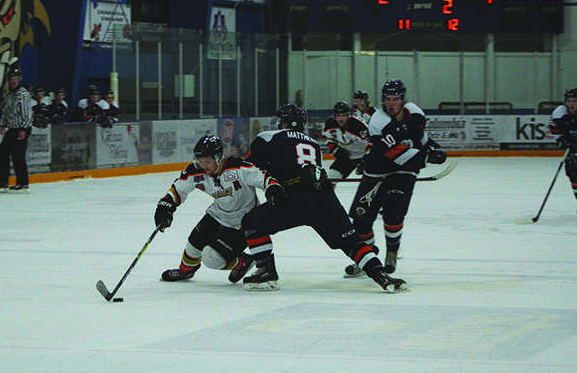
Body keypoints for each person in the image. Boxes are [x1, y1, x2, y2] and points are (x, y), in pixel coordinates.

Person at [240, 103, 408, 293]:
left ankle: (265, 270)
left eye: (281, 121)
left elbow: (247, 168)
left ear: (286, 122)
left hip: (295, 199)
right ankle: (381, 275)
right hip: (326, 198)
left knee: (251, 222)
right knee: (351, 242)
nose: (278, 124)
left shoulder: (267, 137)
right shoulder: (312, 143)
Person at [345, 79, 446, 278]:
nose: (391, 103)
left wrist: (433, 146)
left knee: (393, 212)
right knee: (360, 219)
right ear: (383, 100)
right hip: (377, 171)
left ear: (403, 99)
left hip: (403, 174)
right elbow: (394, 154)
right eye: (388, 99)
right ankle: (368, 258)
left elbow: (418, 137)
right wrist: (426, 157)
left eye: (396, 99)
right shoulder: (378, 121)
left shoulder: (415, 113)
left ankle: (391, 253)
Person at [154, 135, 276, 283]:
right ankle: (186, 271)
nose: (204, 165)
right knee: (193, 245)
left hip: (243, 221)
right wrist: (165, 206)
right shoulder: (196, 171)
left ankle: (243, 262)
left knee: (211, 258)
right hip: (218, 214)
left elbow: (263, 178)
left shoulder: (237, 167)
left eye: (208, 161)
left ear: (218, 157)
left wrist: (272, 189)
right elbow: (179, 189)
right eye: (201, 161)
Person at [0, 68, 33, 192]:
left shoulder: (23, 94)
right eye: (10, 79)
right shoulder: (9, 94)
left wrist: (23, 129)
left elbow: (27, 113)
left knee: (18, 155)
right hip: (12, 127)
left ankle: (22, 182)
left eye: (15, 79)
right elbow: (6, 110)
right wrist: (3, 124)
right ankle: (3, 180)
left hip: (21, 127)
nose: (12, 81)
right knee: (2, 152)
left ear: (19, 80)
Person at [322, 101, 369, 180]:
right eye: (338, 115)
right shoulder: (330, 125)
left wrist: (368, 158)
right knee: (332, 177)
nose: (340, 118)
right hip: (347, 155)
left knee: (372, 179)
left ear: (348, 115)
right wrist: (335, 149)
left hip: (364, 155)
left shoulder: (358, 126)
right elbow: (327, 138)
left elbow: (372, 142)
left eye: (343, 115)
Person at [548, 87, 577, 203]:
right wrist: (562, 140)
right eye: (569, 101)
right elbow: (553, 128)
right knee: (572, 169)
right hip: (571, 145)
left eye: (574, 101)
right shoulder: (559, 113)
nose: (571, 104)